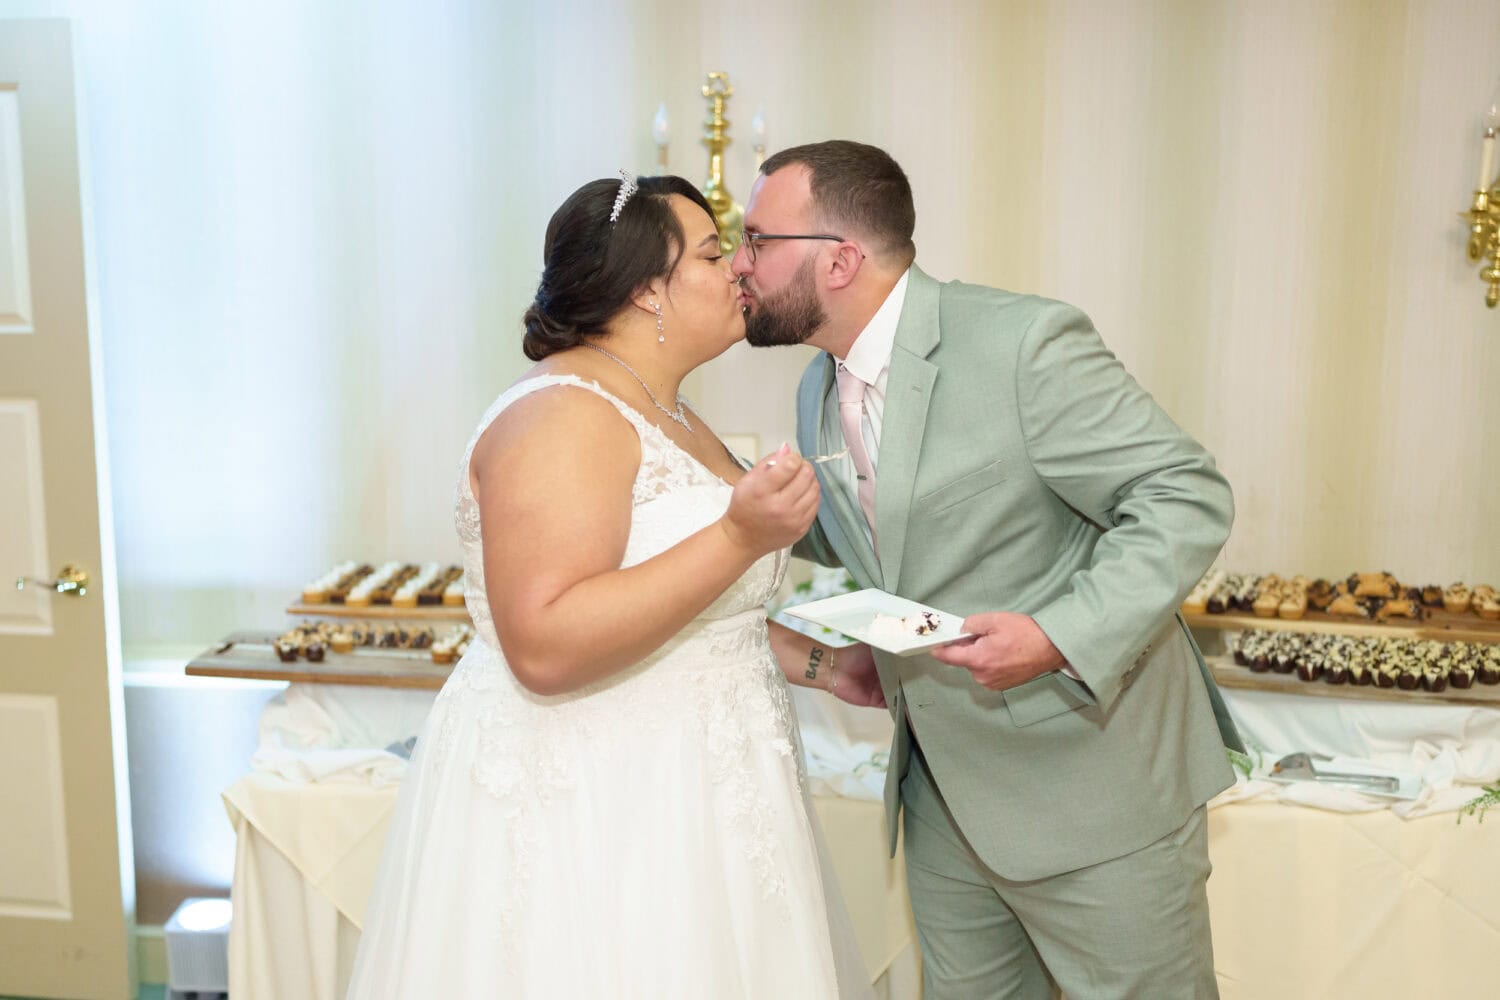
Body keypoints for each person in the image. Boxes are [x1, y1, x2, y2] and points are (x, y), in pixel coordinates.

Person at [733, 140, 1244, 999]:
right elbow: (869, 536)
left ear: (839, 259)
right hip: (942, 801)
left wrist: (1059, 635)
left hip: (1094, 791)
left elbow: (1184, 493)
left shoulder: (1022, 344)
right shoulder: (818, 389)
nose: (738, 265)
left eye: (756, 240)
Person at [346, 173, 878, 998]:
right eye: (712, 252)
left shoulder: (669, 412)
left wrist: (823, 665)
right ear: (643, 289)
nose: (741, 266)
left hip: (705, 794)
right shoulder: (565, 415)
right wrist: (741, 532)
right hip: (605, 804)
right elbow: (547, 643)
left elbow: (684, 605)